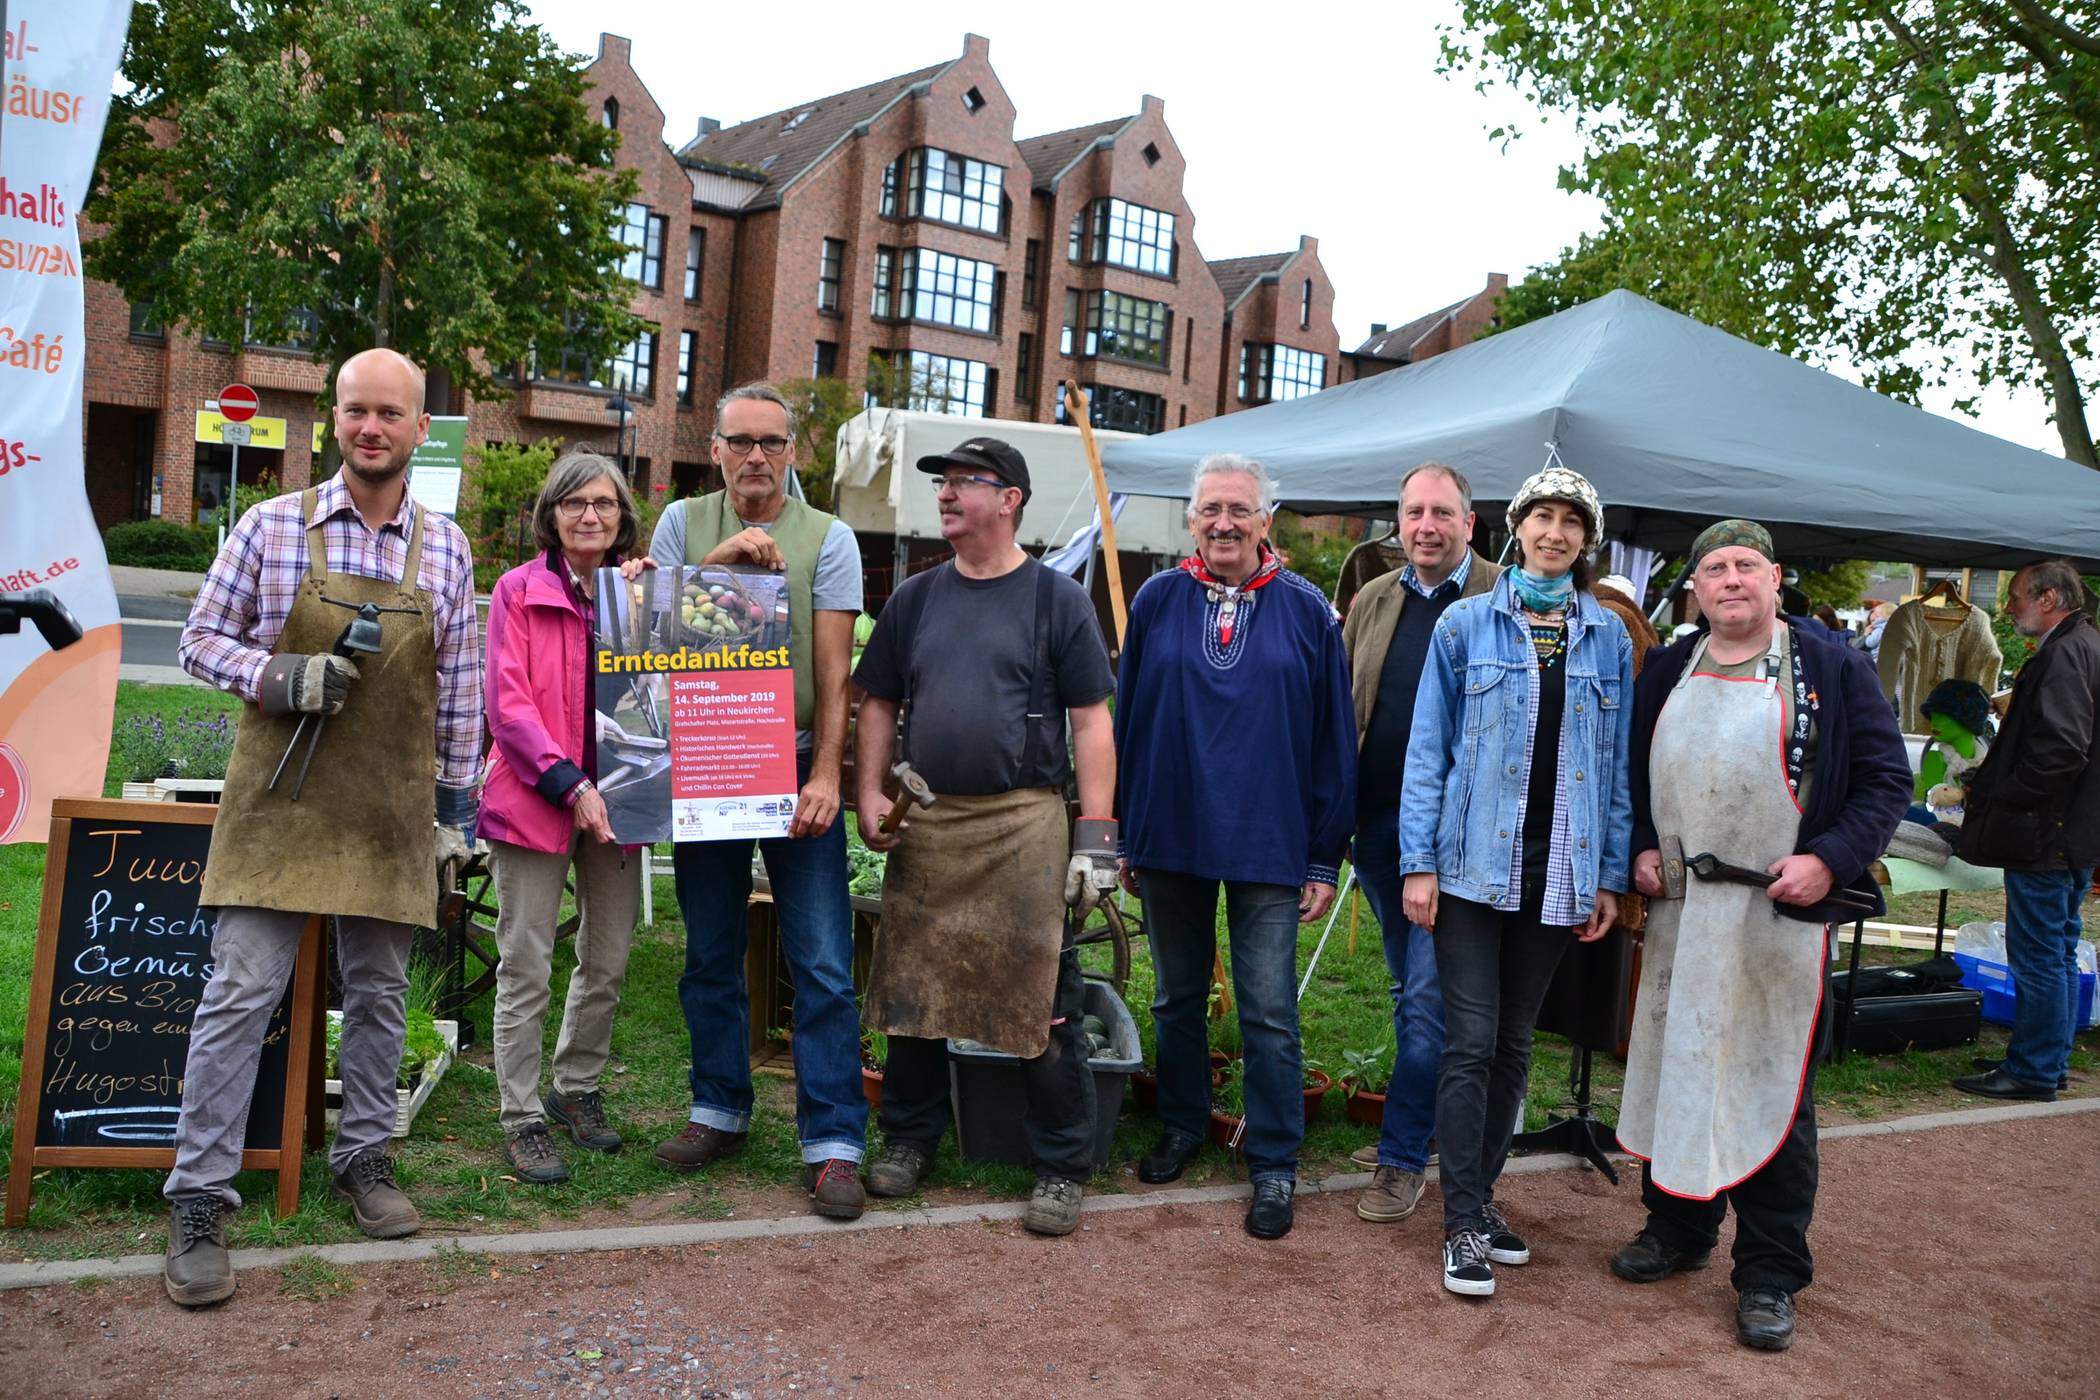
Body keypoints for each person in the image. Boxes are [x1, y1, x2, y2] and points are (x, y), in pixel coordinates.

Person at [163, 349, 481, 1306]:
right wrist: (277, 675)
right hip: (279, 808)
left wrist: (455, 812)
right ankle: (199, 1198)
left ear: (421, 428)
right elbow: (198, 641)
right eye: (355, 412)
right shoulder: (269, 525)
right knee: (240, 991)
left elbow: (458, 690)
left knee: (382, 991)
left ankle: (366, 1160)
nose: (370, 427)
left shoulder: (446, 549)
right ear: (333, 421)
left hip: (387, 810)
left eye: (390, 413)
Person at [1616, 519, 1908, 1352]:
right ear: (1696, 588)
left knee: (1768, 1084)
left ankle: (1771, 1272)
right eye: (1715, 568)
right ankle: (1677, 1230)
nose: (1731, 580)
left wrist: (1830, 858)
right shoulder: (1668, 667)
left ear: (1774, 578)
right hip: (1681, 913)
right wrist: (1640, 843)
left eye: (1746, 565)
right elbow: (1632, 777)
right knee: (1679, 1067)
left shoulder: (1829, 667)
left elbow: (1887, 780)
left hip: (1776, 917)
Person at [852, 437, 1118, 1236]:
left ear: (1010, 500)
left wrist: (1095, 838)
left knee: (1041, 1000)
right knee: (912, 992)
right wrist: (869, 788)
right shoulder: (917, 598)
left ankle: (1062, 1165)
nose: (946, 493)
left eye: (965, 481)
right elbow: (878, 703)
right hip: (930, 823)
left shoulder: (1056, 600)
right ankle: (908, 1141)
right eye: (943, 482)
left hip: (1024, 824)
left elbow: (1092, 724)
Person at [1399, 462, 1630, 1300]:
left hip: (1556, 871)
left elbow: (1613, 772)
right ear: (1517, 526)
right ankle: (1461, 1219)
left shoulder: (1606, 637)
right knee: (1470, 1040)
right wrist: (1416, 863)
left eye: (1572, 521)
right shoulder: (1463, 626)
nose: (1556, 533)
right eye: (1543, 517)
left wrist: (1607, 875)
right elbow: (1427, 752)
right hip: (1468, 868)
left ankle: (1482, 1196)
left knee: (1515, 1044)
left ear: (1585, 541)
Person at [1115, 453, 1356, 1241]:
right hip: (1172, 829)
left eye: (1239, 509)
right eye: (1210, 508)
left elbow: (1332, 742)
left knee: (1270, 1009)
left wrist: (1325, 853)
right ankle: (1183, 1125)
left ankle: (1276, 1160)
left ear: (1266, 521)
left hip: (1270, 837)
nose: (1224, 522)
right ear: (1190, 518)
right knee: (1174, 997)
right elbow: (1125, 725)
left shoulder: (1308, 609)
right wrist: (1120, 830)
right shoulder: (1157, 601)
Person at [642, 383, 867, 1220]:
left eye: (771, 442)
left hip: (798, 764)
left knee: (821, 961)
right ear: (716, 447)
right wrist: (725, 564)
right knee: (710, 949)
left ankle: (835, 1141)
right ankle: (719, 1109)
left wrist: (827, 776)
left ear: (793, 450)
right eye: (741, 441)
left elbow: (837, 676)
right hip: (712, 760)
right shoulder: (682, 524)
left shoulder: (828, 539)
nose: (756, 457)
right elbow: (653, 633)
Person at [478, 452, 646, 1184]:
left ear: (622, 516)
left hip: (625, 801)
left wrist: (652, 606)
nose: (590, 516)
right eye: (575, 503)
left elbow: (668, 686)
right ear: (551, 513)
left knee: (607, 959)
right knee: (525, 965)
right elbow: (507, 706)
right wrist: (571, 784)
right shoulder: (518, 591)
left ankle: (575, 1087)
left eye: (604, 504)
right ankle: (521, 1117)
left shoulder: (634, 596)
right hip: (535, 799)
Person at [1338, 463, 1499, 1225]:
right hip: (1378, 830)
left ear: (1471, 522)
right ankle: (1428, 1124)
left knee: (1431, 999)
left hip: (1460, 840)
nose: (1425, 526)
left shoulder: (1503, 596)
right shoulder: (1374, 599)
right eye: (1412, 512)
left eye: (1441, 512)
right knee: (1410, 990)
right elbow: (1346, 711)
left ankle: (1404, 1156)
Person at [1954, 559, 2100, 1102]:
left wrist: (2002, 792)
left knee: (2041, 953)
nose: (2007, 605)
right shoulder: (2084, 644)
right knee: (2056, 951)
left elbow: (2062, 749)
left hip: (2048, 833)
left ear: (2049, 597)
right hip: (2072, 831)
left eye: (2016, 596)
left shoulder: (2066, 652)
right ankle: (2044, 1060)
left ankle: (2036, 1068)